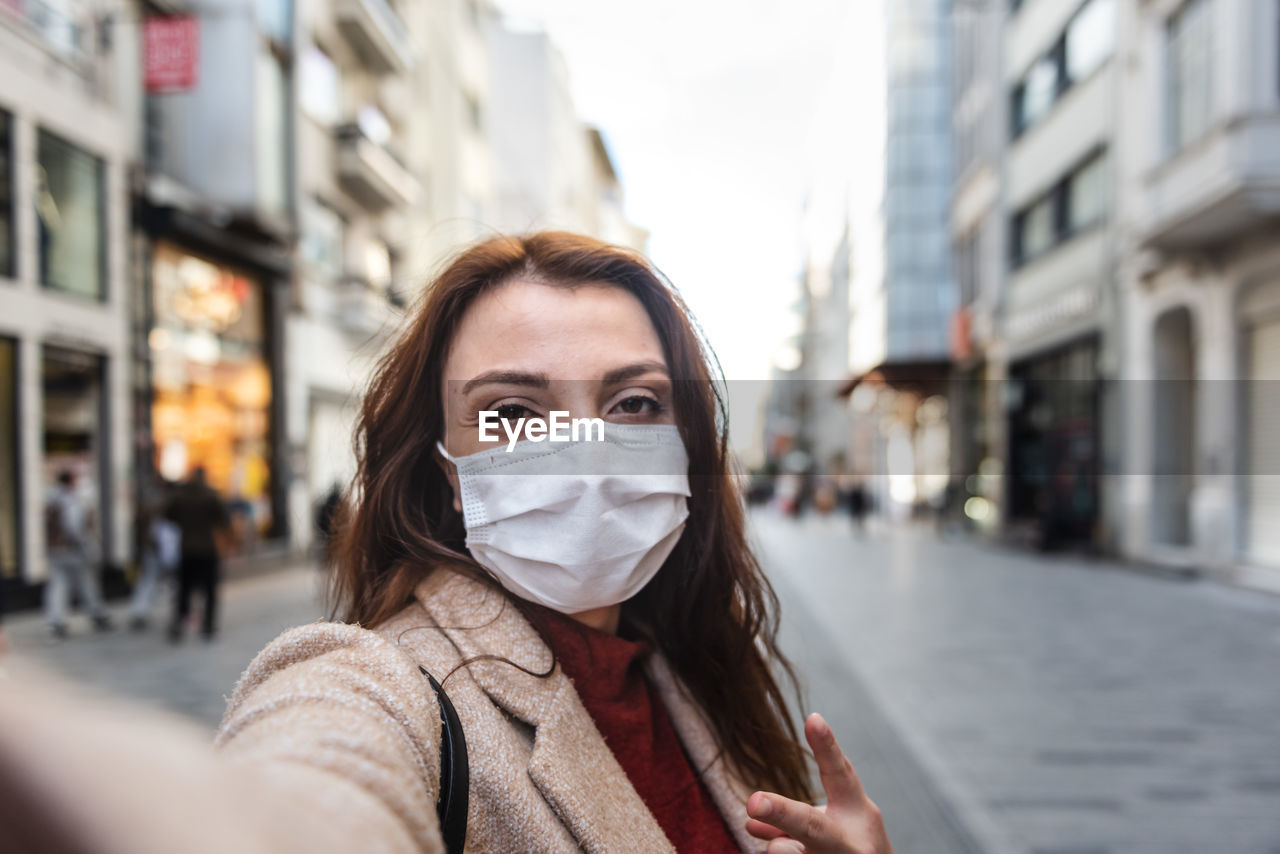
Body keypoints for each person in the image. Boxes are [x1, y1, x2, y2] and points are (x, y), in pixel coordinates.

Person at [0, 233, 893, 854]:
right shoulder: (380, 687)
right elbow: (305, 796)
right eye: (510, 413)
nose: (582, 452)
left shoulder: (681, 664)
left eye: (633, 404)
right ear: (450, 470)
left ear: (687, 447)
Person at [43, 470, 112, 639]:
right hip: (72, 550)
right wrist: (86, 545)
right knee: (86, 583)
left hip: (56, 550)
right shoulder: (70, 499)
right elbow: (74, 527)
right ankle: (96, 614)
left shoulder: (52, 498)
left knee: (58, 585)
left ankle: (56, 621)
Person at [165, 466, 230, 643]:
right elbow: (223, 520)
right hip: (207, 548)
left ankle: (180, 623)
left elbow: (168, 516)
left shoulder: (180, 497)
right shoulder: (210, 496)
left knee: (184, 590)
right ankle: (207, 626)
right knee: (209, 590)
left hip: (186, 548)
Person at [127, 483, 181, 631]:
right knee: (156, 580)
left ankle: (140, 611)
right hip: (160, 549)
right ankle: (141, 611)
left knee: (149, 580)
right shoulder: (164, 505)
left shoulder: (152, 504)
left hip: (155, 549)